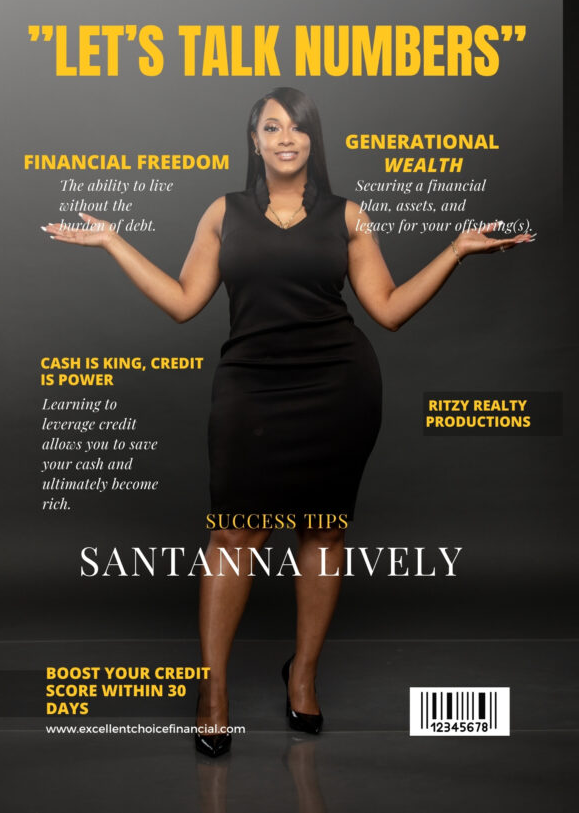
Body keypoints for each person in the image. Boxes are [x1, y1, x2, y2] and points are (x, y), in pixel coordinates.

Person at [42, 87, 534, 757]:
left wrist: (454, 249)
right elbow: (185, 301)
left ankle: (302, 673)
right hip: (249, 388)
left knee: (323, 531)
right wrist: (111, 240)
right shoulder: (224, 212)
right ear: (254, 140)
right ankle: (211, 689)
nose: (284, 136)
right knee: (233, 534)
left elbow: (387, 309)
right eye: (271, 126)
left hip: (338, 387)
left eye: (297, 127)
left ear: (312, 140)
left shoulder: (347, 215)